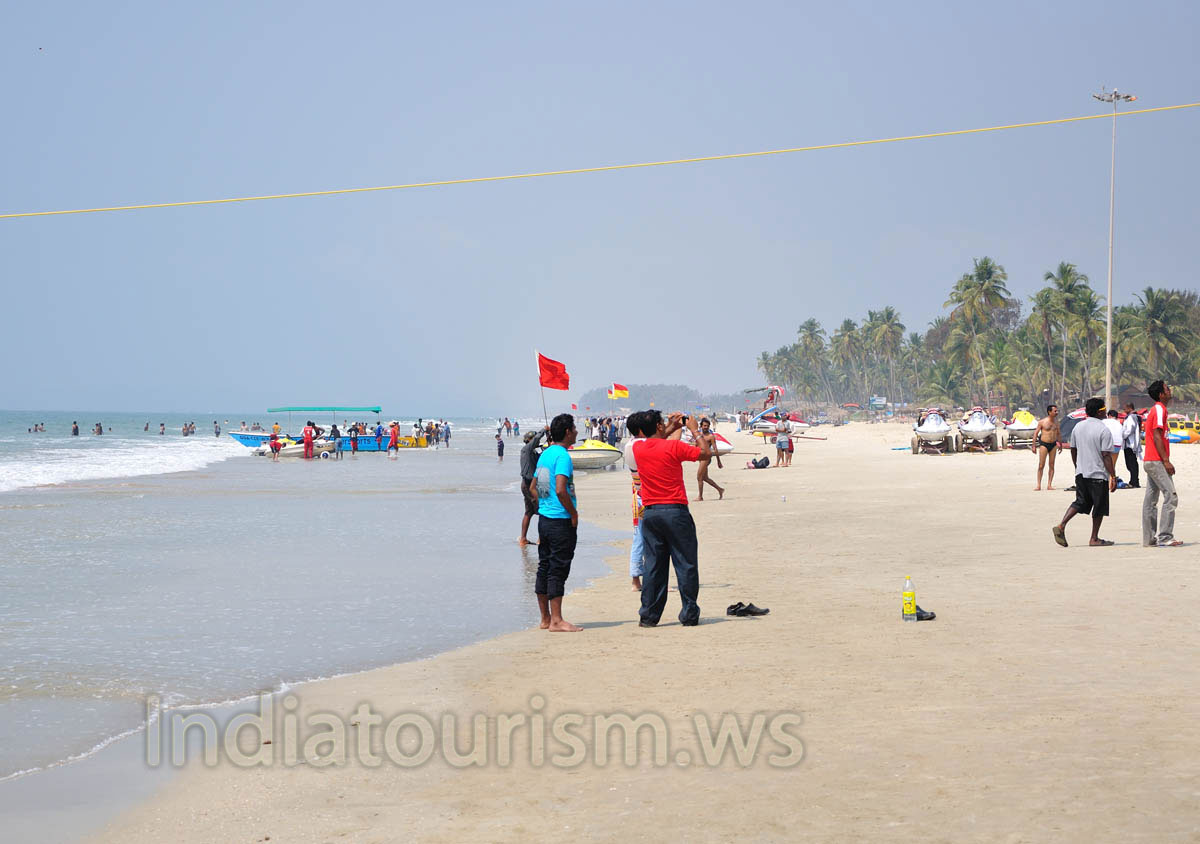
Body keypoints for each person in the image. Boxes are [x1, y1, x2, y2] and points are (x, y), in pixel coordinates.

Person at [633, 411, 710, 627]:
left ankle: (648, 616)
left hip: (651, 512)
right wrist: (693, 428)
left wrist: (669, 426)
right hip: (674, 510)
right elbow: (705, 453)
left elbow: (655, 439)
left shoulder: (638, 448)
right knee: (685, 562)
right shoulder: (673, 447)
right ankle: (689, 613)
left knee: (654, 565)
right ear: (658, 426)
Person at [530, 413, 582, 632]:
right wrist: (573, 514)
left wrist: (544, 505)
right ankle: (557, 620)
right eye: (575, 428)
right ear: (568, 432)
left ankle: (545, 619)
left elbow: (534, 488)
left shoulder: (545, 454)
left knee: (544, 566)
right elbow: (561, 489)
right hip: (560, 520)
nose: (577, 431)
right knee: (558, 568)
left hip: (544, 519)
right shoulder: (562, 456)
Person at [1052, 397, 1117, 548]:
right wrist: (1113, 475)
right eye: (1104, 410)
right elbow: (1106, 455)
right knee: (1099, 506)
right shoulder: (1103, 429)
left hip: (1081, 473)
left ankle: (1062, 525)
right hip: (1098, 474)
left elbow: (1073, 450)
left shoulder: (1078, 427)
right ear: (1100, 412)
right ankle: (1094, 538)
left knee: (1081, 502)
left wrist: (1077, 466)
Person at [1143, 380, 1182, 547]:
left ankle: (1149, 539)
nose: (1170, 390)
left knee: (1150, 500)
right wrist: (1166, 461)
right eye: (1167, 388)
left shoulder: (1158, 409)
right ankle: (1165, 536)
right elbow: (1157, 435)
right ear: (1161, 394)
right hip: (1156, 460)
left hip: (1151, 460)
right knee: (1171, 495)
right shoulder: (1159, 409)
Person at [623, 412, 648, 591]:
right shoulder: (639, 445)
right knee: (643, 537)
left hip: (637, 494)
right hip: (645, 496)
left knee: (639, 536)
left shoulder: (629, 444)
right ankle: (638, 580)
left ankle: (636, 579)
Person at [519, 426, 549, 546]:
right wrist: (544, 430)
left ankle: (523, 538)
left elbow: (541, 459)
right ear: (529, 440)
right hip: (529, 485)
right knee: (541, 511)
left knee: (529, 512)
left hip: (527, 484)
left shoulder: (533, 452)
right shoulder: (526, 450)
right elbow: (536, 439)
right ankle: (540, 539)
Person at [695, 417, 725, 501]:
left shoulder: (711, 436)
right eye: (704, 426)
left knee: (699, 477)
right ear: (701, 426)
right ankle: (720, 489)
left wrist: (719, 461)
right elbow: (696, 446)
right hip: (700, 458)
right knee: (705, 478)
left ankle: (700, 497)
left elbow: (715, 449)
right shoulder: (699, 436)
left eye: (707, 426)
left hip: (706, 458)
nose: (706, 427)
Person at [1033, 405, 1061, 491]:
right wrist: (1033, 445)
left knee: (1052, 465)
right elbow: (1036, 433)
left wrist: (1060, 444)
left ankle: (1049, 485)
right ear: (1049, 412)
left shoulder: (1056, 423)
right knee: (1041, 465)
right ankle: (1038, 485)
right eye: (1055, 411)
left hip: (1053, 444)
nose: (1057, 413)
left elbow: (1058, 434)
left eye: (1057, 411)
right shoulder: (1042, 422)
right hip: (1044, 444)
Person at [1121, 403, 1142, 489]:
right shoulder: (1133, 417)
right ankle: (1134, 480)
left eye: (1125, 409)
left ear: (1129, 408)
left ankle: (1134, 481)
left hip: (1131, 443)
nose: (1124, 411)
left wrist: (1122, 435)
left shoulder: (1132, 417)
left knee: (1131, 463)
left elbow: (1130, 429)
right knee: (1130, 463)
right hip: (1129, 443)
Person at [1104, 410, 1125, 485]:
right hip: (1117, 445)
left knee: (1105, 465)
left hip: (1107, 445)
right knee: (1113, 465)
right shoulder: (1119, 423)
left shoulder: (1105, 421)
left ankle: (1105, 483)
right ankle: (1111, 483)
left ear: (1109, 415)